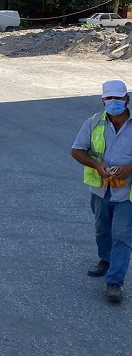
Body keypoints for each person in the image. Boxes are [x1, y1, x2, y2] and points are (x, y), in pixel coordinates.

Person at [71, 80, 132, 303]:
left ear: (127, 99)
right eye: (109, 98)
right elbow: (76, 150)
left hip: (128, 193)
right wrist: (97, 166)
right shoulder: (94, 122)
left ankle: (115, 282)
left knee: (123, 236)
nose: (113, 102)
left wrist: (129, 168)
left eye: (118, 98)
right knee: (102, 229)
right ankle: (105, 260)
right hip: (101, 190)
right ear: (103, 100)